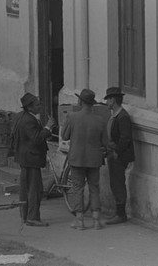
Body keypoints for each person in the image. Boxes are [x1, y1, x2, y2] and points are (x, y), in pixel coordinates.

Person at [61, 89, 107, 230]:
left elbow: (64, 136)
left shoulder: (72, 117)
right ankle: (96, 220)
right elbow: (105, 141)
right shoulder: (100, 120)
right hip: (94, 159)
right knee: (94, 188)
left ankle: (79, 221)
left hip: (77, 159)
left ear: (80, 101)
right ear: (92, 103)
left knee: (77, 188)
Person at [11, 92, 55, 227]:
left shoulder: (21, 117)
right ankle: (33, 217)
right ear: (29, 107)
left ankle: (25, 215)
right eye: (37, 104)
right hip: (31, 158)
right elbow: (36, 138)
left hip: (24, 157)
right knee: (35, 189)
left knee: (25, 188)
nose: (40, 107)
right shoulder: (29, 120)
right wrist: (48, 127)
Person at [104, 87, 135, 225]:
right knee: (115, 183)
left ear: (113, 100)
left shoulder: (122, 117)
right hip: (114, 153)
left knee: (118, 184)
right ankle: (118, 211)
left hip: (118, 155)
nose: (107, 102)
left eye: (108, 99)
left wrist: (116, 151)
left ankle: (121, 214)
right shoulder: (116, 115)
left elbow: (125, 138)